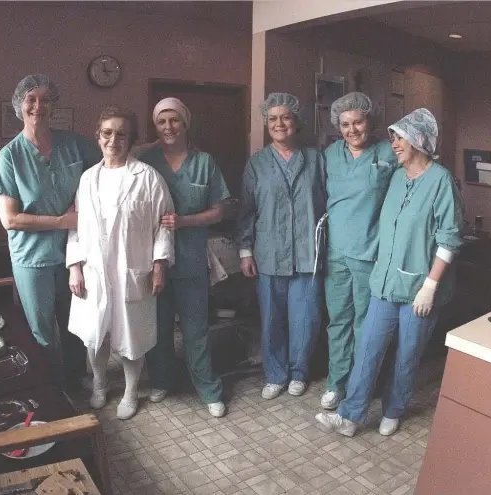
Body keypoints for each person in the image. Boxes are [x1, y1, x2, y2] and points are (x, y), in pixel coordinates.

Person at [316, 108, 464, 437]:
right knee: (368, 348)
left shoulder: (441, 181)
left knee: (408, 353)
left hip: (420, 290)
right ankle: (350, 415)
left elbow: (449, 240)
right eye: (393, 137)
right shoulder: (397, 178)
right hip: (384, 283)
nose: (394, 144)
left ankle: (395, 409)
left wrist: (430, 286)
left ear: (419, 141)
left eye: (400, 138)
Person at [66, 106, 174, 420]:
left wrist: (159, 264)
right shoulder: (87, 179)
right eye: (107, 132)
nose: (114, 139)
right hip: (94, 270)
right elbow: (75, 225)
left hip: (132, 269)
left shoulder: (148, 177)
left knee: (132, 335)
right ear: (98, 137)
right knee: (94, 333)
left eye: (121, 133)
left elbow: (165, 224)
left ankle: (129, 391)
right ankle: (100, 384)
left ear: (131, 139)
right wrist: (74, 265)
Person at [0, 74, 101, 382]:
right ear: (19, 105)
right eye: (31, 99)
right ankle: (53, 391)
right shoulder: (9, 157)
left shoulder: (73, 144)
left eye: (45, 99)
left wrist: (155, 147)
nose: (38, 106)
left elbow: (112, 157)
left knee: (75, 325)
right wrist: (61, 221)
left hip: (72, 254)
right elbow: (10, 219)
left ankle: (77, 382)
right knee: (42, 333)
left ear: (53, 105)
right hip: (33, 259)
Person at [139, 97, 229, 418]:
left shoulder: (204, 162)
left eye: (174, 120)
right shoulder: (144, 160)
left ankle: (208, 388)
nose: (168, 127)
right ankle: (162, 380)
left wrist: (185, 221)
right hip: (153, 262)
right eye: (161, 121)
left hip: (190, 260)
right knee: (158, 328)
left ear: (185, 123)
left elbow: (219, 209)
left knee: (196, 330)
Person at [236, 92, 326, 400]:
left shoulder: (316, 159)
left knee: (306, 317)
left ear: (296, 121)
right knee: (272, 317)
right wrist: (245, 250)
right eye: (272, 119)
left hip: (307, 254)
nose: (279, 123)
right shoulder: (257, 163)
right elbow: (247, 210)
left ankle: (299, 371)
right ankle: (275, 374)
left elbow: (330, 204)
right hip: (269, 253)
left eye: (285, 117)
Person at [321, 92, 399, 410]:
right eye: (345, 124)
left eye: (358, 121)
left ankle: (362, 382)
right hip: (335, 251)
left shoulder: (388, 152)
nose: (352, 129)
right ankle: (336, 382)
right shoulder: (329, 155)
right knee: (338, 319)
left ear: (370, 120)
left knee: (366, 322)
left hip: (370, 251)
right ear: (337, 126)